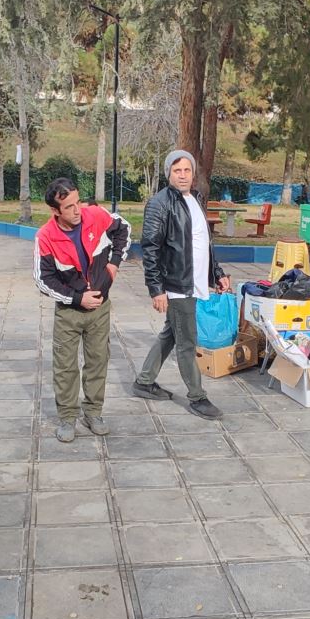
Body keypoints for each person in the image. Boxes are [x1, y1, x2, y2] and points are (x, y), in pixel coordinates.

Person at [132, 151, 230, 420]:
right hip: (176, 285)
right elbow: (150, 248)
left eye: (187, 170)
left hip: (193, 281)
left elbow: (203, 243)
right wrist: (156, 289)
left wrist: (217, 273)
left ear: (193, 173)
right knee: (187, 341)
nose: (183, 175)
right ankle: (198, 397)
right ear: (168, 174)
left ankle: (144, 381)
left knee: (171, 333)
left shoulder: (195, 199)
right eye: (177, 171)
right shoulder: (160, 204)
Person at [35, 178, 132, 442]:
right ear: (55, 210)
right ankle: (67, 418)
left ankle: (93, 412)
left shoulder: (95, 215)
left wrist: (113, 266)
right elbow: (43, 280)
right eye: (69, 206)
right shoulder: (45, 236)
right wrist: (78, 299)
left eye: (78, 202)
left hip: (100, 308)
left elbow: (124, 228)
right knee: (65, 366)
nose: (77, 210)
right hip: (69, 312)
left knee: (98, 361)